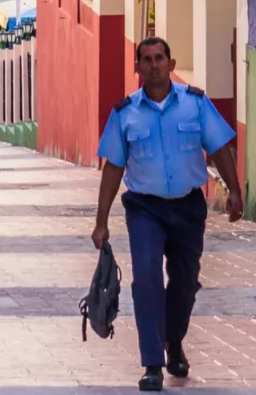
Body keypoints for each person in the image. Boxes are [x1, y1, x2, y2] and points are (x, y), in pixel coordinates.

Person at [93, 37, 242, 392]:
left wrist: (235, 189)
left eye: (160, 58)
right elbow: (113, 167)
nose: (154, 65)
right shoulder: (124, 112)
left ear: (171, 64)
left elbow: (219, 147)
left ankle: (173, 340)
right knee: (146, 278)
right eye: (146, 59)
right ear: (138, 67)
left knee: (185, 283)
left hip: (189, 206)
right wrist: (101, 221)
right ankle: (152, 364)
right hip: (145, 208)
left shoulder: (195, 103)